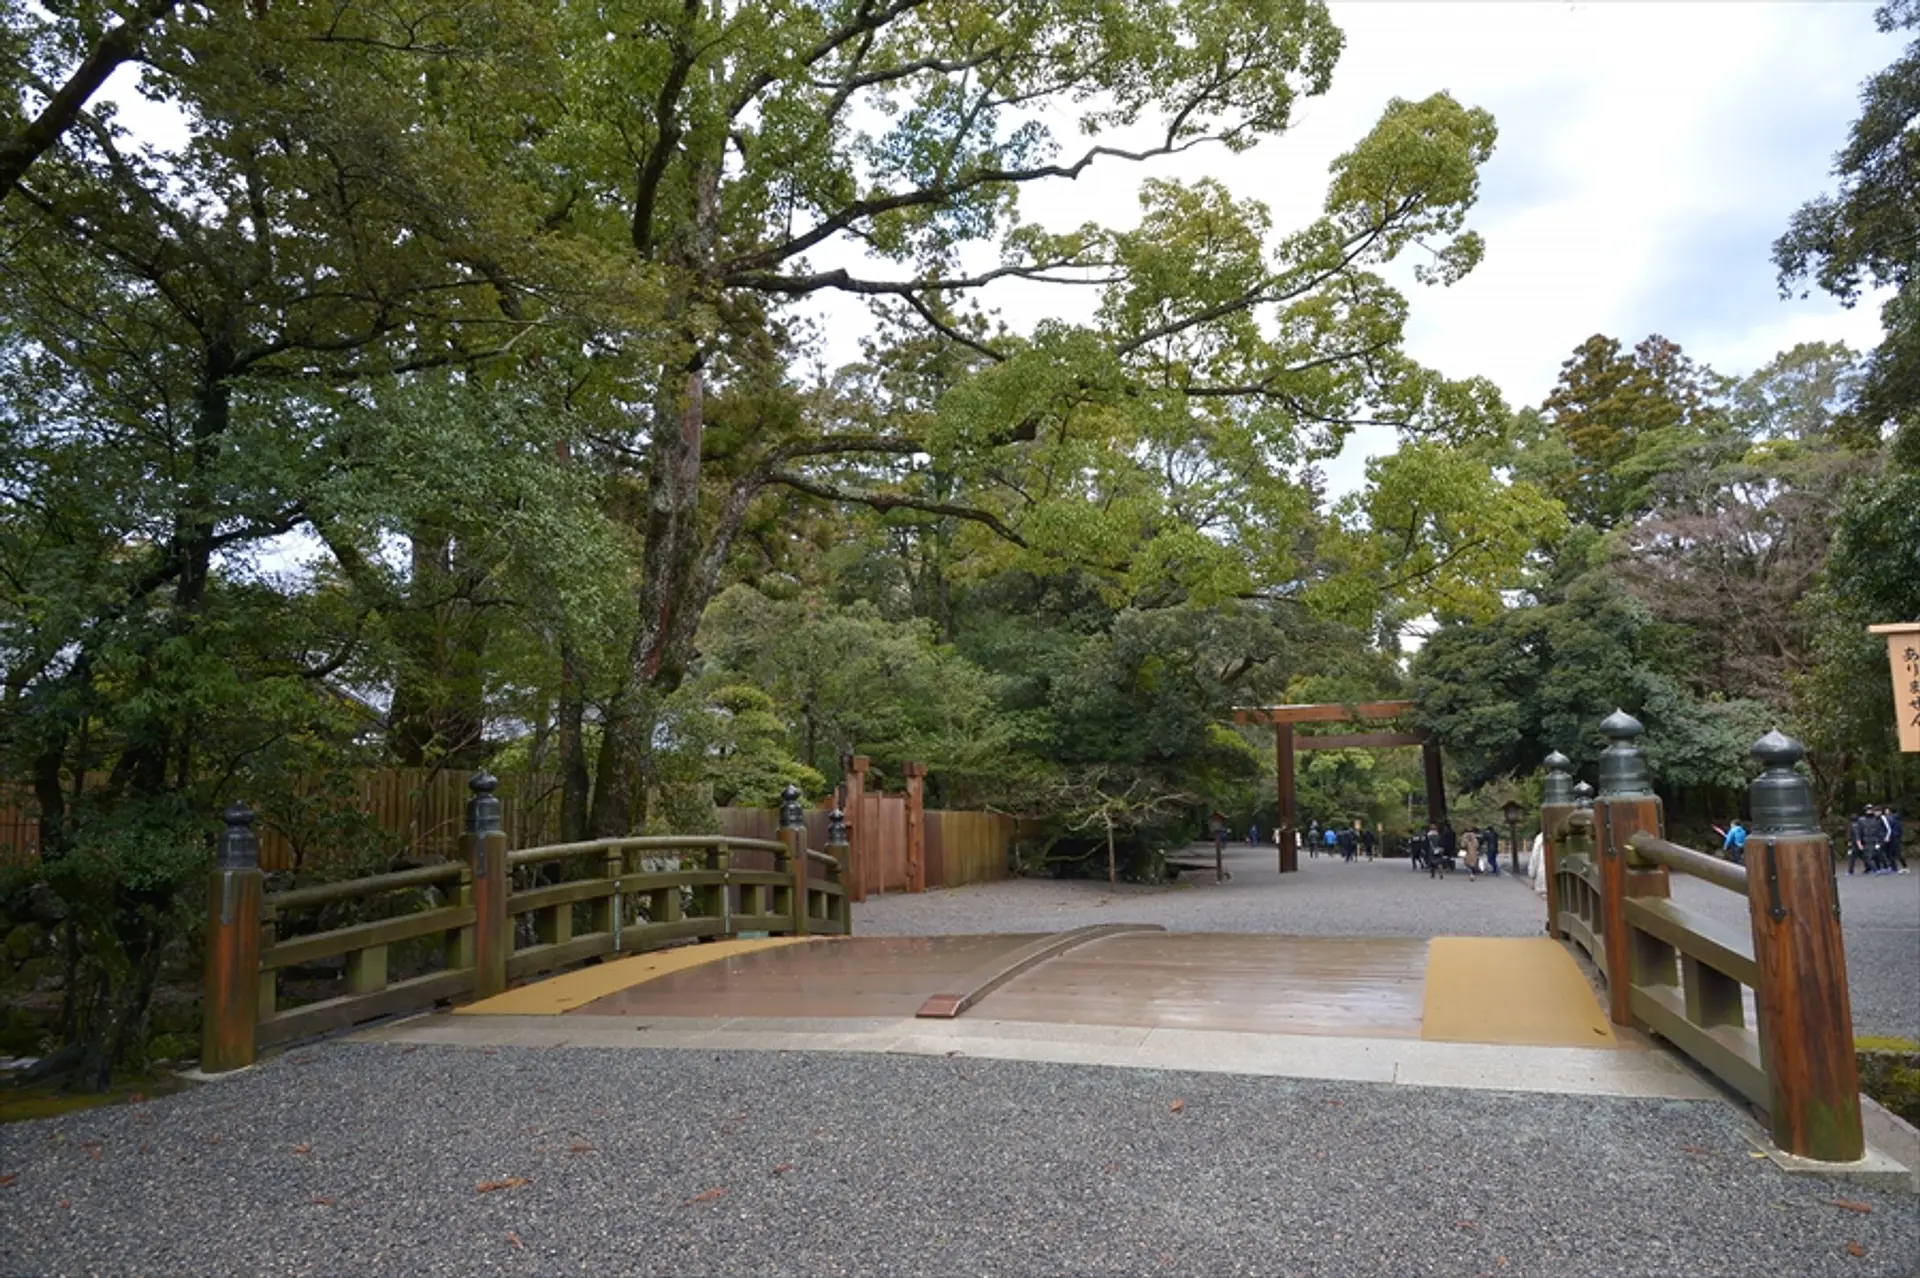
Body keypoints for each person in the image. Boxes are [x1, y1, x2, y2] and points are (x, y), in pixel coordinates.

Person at [1884, 806, 1908, 874]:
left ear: (1889, 811)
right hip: (1896, 837)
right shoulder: (1896, 818)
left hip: (1893, 837)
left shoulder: (1890, 818)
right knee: (1892, 853)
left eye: (1886, 810)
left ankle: (1904, 867)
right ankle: (1895, 867)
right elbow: (1900, 829)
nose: (1885, 811)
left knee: (1896, 853)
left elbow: (1889, 828)